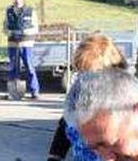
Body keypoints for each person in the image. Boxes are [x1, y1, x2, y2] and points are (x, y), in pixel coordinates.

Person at [48, 33, 128, 161]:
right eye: (81, 73)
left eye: (90, 74)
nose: (84, 80)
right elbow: (65, 125)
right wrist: (55, 156)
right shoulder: (79, 94)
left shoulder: (122, 98)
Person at [3, 0, 40, 99]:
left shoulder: (30, 11)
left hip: (26, 43)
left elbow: (35, 27)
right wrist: (9, 32)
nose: (15, 0)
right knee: (13, 66)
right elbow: (5, 25)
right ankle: (13, 91)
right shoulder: (8, 11)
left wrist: (24, 33)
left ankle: (34, 91)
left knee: (29, 66)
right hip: (12, 42)